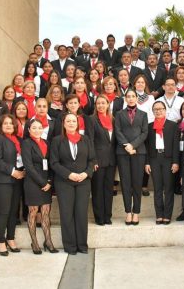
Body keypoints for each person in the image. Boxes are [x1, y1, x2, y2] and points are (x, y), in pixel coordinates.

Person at [50, 113, 95, 254]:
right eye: (68, 121)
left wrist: (85, 173)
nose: (70, 123)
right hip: (64, 182)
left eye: (73, 121)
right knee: (67, 214)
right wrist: (69, 174)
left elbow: (92, 160)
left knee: (81, 213)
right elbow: (54, 162)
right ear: (63, 124)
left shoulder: (85, 139)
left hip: (83, 181)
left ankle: (82, 245)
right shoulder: (57, 140)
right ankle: (70, 246)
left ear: (78, 123)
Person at [0, 114, 25, 256]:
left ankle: (10, 238)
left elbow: (22, 159)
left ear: (15, 126)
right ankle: (1, 241)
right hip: (3, 180)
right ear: (0, 126)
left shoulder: (19, 140)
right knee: (4, 210)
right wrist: (12, 171)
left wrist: (23, 171)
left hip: (18, 179)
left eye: (11, 123)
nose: (9, 125)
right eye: (5, 123)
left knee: (13, 211)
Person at [22, 119, 58, 254]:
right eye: (34, 128)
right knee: (33, 212)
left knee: (45, 213)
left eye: (39, 128)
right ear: (29, 130)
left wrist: (49, 182)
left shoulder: (47, 143)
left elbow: (51, 164)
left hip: (46, 183)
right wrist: (43, 183)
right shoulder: (26, 143)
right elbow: (29, 167)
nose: (37, 130)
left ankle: (48, 241)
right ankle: (35, 243)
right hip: (32, 183)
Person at [115, 90, 148, 225]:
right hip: (123, 152)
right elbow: (118, 131)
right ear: (125, 98)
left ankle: (136, 212)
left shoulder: (143, 114)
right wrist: (126, 146)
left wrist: (133, 145)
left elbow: (145, 132)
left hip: (138, 152)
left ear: (136, 98)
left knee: (137, 183)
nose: (130, 98)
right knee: (126, 183)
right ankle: (128, 212)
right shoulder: (119, 114)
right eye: (128, 96)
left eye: (133, 96)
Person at [145, 101, 180, 224]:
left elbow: (176, 145)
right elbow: (147, 146)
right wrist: (147, 162)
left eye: (161, 109)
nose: (158, 111)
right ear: (153, 111)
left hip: (168, 159)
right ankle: (159, 214)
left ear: (165, 110)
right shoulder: (149, 126)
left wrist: (176, 162)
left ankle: (167, 215)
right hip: (154, 158)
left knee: (168, 188)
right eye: (155, 109)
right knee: (157, 188)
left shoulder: (172, 125)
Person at [91, 95, 116, 225]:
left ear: (108, 104)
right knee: (98, 189)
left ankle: (107, 216)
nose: (101, 105)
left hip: (111, 160)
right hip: (98, 161)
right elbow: (90, 141)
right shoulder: (92, 120)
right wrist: (93, 160)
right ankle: (99, 217)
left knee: (108, 189)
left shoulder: (113, 119)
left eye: (103, 103)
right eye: (98, 103)